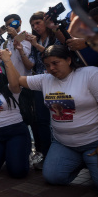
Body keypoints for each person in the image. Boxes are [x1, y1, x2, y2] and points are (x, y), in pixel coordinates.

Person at [2, 45, 98, 197]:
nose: (51, 68)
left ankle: (92, 162)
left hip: (96, 143)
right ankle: (84, 161)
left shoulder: (92, 74)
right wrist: (7, 61)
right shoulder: (45, 79)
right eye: (47, 65)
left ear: (69, 60)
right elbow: (16, 82)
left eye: (55, 63)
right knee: (53, 177)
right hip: (64, 144)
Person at [24, 11, 63, 169]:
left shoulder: (56, 36)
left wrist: (35, 44)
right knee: (41, 121)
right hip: (41, 84)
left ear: (46, 22)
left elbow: (54, 54)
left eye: (38, 23)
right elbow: (31, 65)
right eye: (33, 25)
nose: (35, 27)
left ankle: (62, 153)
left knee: (59, 117)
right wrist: (20, 50)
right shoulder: (36, 41)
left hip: (58, 82)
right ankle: (46, 154)